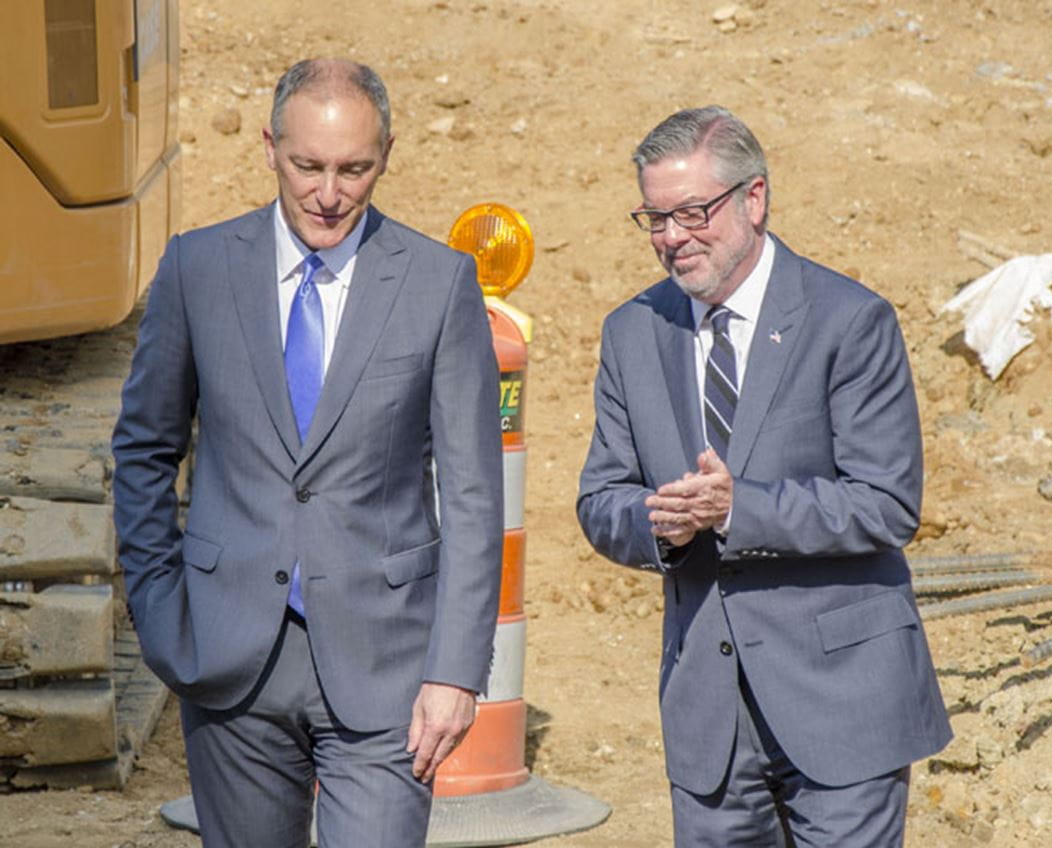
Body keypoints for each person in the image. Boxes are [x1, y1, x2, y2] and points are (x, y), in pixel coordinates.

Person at [112, 58, 504, 848]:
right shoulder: (198, 269)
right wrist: (160, 612)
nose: (330, 193)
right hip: (229, 663)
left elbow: (472, 495)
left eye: (354, 169)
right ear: (269, 147)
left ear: (386, 153)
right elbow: (145, 449)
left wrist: (455, 671)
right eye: (309, 166)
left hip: (387, 668)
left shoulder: (438, 283)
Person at [576, 106, 953, 846]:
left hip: (843, 702)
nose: (672, 237)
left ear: (754, 199)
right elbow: (601, 499)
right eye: (654, 218)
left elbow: (885, 502)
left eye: (691, 212)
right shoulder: (632, 333)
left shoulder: (849, 321)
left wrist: (736, 509)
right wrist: (666, 523)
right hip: (710, 716)